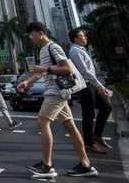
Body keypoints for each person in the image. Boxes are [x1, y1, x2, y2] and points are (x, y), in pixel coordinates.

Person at [18, 22, 98, 178]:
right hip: (55, 91)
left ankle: (47, 166)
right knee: (70, 126)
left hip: (56, 92)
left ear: (41, 33)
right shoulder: (43, 50)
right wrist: (27, 82)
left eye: (32, 35)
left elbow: (66, 68)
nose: (31, 39)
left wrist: (45, 69)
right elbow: (43, 73)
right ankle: (86, 164)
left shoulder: (53, 47)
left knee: (42, 122)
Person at [68, 28, 113, 154]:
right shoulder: (75, 51)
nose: (85, 37)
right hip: (85, 85)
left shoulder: (82, 50)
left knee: (106, 107)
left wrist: (97, 84)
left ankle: (97, 134)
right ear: (75, 39)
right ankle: (89, 143)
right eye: (82, 36)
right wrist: (98, 84)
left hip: (91, 85)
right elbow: (84, 71)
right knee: (88, 114)